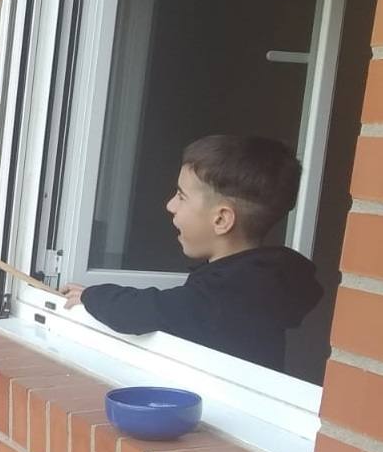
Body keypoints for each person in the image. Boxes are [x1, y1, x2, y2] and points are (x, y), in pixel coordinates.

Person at [65, 135, 322, 372]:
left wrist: (91, 295)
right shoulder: (263, 282)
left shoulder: (223, 296)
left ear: (221, 219)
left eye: (181, 196)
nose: (170, 205)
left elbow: (141, 311)